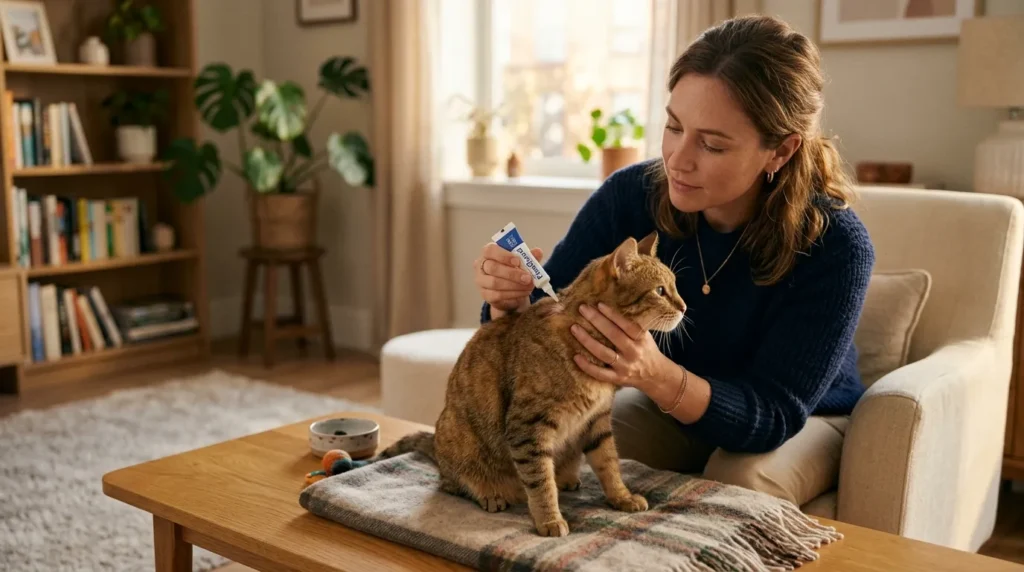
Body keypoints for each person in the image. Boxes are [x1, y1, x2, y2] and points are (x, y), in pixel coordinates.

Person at [472, 14, 874, 509]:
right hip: (666, 400)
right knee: (566, 456)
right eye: (673, 126)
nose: (677, 160)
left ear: (781, 151)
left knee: (738, 482)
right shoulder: (631, 197)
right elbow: (546, 316)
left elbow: (772, 414)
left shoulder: (838, 246)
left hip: (800, 416)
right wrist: (506, 303)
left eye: (711, 144)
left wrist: (655, 374)